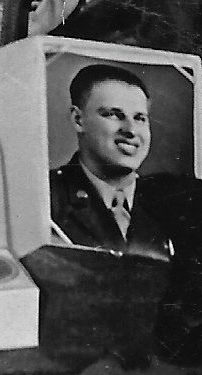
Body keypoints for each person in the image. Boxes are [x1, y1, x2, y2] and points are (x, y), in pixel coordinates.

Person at [48, 61, 179, 255]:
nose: (131, 130)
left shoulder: (173, 201)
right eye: (113, 115)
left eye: (140, 118)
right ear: (78, 119)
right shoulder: (47, 197)